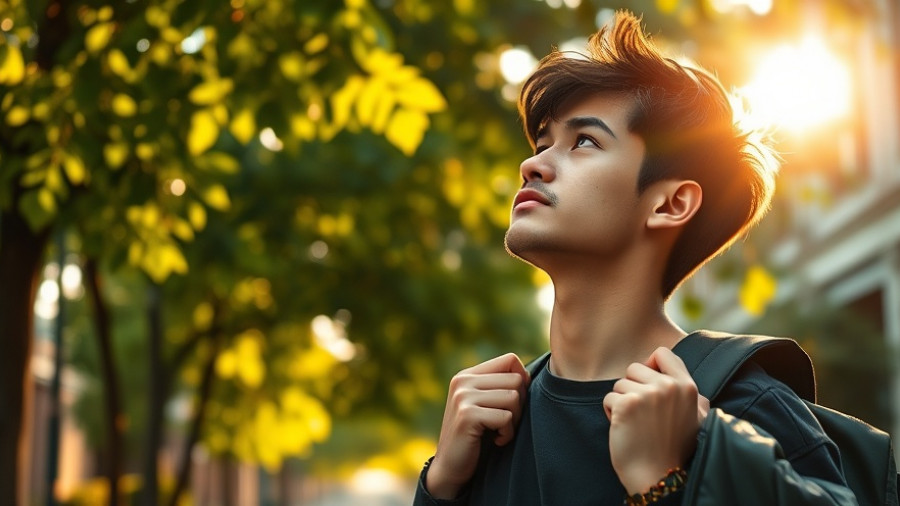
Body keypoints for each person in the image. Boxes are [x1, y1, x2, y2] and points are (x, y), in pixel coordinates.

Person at [413, 9, 857, 506]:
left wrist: (661, 481)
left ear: (669, 204)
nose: (532, 164)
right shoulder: (492, 424)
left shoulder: (742, 410)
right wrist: (441, 488)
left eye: (584, 141)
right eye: (542, 143)